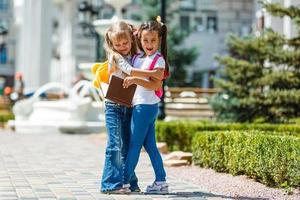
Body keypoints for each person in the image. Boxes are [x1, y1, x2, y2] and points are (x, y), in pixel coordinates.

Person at [100, 21, 163, 194]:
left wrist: (136, 32)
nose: (122, 47)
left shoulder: (135, 54)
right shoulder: (116, 56)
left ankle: (130, 183)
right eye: (117, 44)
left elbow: (138, 43)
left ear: (131, 40)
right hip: (114, 105)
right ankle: (111, 184)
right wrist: (154, 73)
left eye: (125, 43)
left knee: (126, 146)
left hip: (128, 105)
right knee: (115, 145)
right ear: (112, 45)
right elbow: (130, 71)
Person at [122, 18, 169, 194]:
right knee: (150, 147)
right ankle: (161, 182)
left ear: (160, 40)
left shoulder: (159, 60)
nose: (149, 44)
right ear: (140, 39)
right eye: (145, 40)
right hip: (143, 107)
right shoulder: (138, 57)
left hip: (144, 107)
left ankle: (124, 181)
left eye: (153, 40)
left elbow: (156, 84)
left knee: (134, 145)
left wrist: (134, 77)